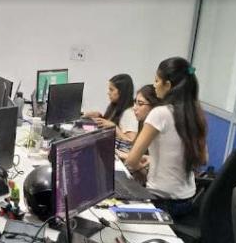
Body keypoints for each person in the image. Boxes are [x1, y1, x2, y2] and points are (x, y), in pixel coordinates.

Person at [121, 57, 207, 218]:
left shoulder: (160, 113)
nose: (154, 85)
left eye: (156, 80)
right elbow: (203, 159)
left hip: (161, 203)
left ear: (167, 85)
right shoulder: (195, 114)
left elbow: (131, 161)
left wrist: (141, 169)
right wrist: (154, 160)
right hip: (187, 201)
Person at [84, 73, 138, 151]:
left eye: (111, 90)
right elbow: (110, 124)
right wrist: (99, 116)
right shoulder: (114, 106)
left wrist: (114, 127)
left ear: (122, 92)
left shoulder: (129, 113)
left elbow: (130, 142)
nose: (108, 93)